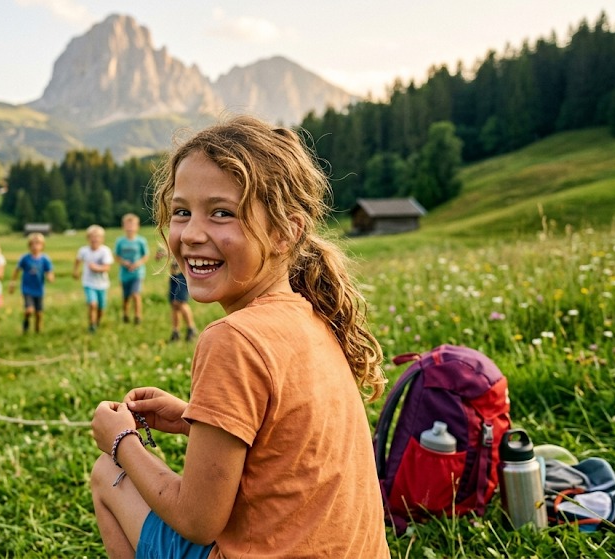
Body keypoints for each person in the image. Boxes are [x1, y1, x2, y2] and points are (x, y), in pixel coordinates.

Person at [90, 116, 390, 558]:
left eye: (222, 213)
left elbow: (197, 520)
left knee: (106, 473)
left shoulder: (233, 339)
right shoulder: (311, 314)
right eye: (181, 212)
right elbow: (286, 450)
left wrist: (121, 441)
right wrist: (195, 417)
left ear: (287, 232)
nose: (191, 234)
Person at [8, 232, 55, 334]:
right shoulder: (25, 258)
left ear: (42, 246)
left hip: (39, 289)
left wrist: (50, 277)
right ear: (29, 245)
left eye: (37, 243)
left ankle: (37, 331)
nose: (35, 246)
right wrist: (12, 283)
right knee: (29, 310)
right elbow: (17, 270)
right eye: (32, 244)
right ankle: (26, 321)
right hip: (27, 289)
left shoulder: (45, 259)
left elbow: (49, 271)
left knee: (39, 313)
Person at [73, 225, 113, 333]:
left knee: (101, 307)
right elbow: (77, 260)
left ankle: (97, 321)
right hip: (88, 282)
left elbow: (107, 267)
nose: (94, 239)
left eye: (97, 237)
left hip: (102, 284)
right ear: (88, 238)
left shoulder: (105, 251)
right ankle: (92, 325)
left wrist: (96, 268)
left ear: (102, 239)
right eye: (92, 237)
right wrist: (76, 271)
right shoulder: (83, 251)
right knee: (92, 304)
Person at [115, 214, 149, 325]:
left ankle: (138, 317)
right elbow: (116, 256)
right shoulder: (120, 241)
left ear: (137, 226)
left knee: (136, 294)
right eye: (127, 225)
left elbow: (145, 256)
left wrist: (138, 263)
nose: (130, 228)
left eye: (132, 225)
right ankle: (125, 314)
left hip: (137, 273)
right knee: (126, 297)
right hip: (125, 274)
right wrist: (124, 262)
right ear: (123, 226)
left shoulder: (141, 241)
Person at [167, 260, 197, 342]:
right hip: (173, 272)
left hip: (182, 273)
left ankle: (191, 328)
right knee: (174, 304)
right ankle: (175, 332)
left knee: (181, 302)